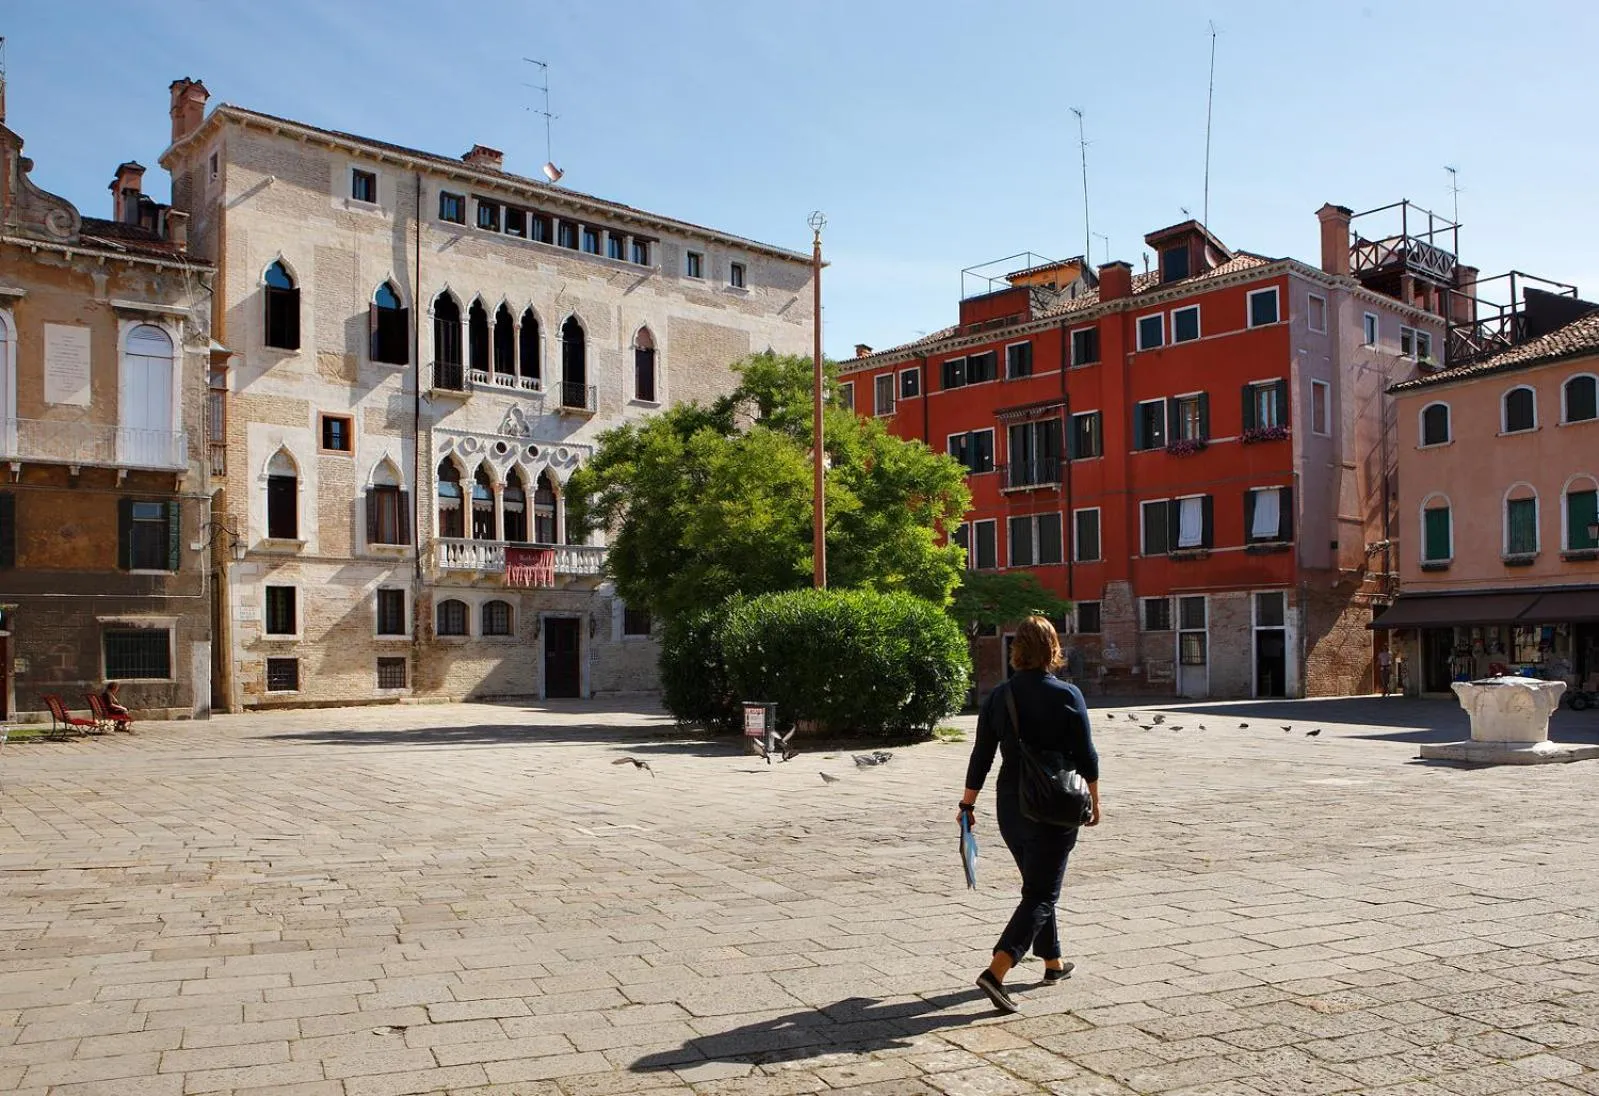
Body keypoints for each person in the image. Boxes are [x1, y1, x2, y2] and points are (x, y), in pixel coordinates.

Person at [959, 616, 1100, 1014]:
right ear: (1053, 649)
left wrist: (967, 804)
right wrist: (1095, 799)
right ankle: (997, 970)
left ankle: (1053, 962)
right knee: (1041, 891)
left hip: (1011, 805)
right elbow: (1087, 754)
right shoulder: (1068, 694)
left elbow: (981, 755)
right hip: (1054, 802)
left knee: (1036, 883)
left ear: (1016, 650)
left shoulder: (998, 696)